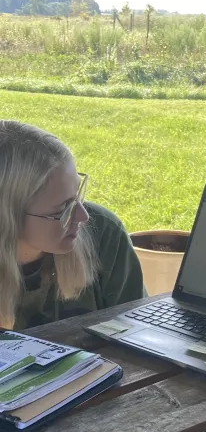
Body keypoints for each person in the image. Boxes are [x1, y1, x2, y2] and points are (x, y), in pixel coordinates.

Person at [0, 120, 145, 330]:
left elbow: (139, 331)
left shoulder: (104, 232)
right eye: (63, 209)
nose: (83, 216)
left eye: (78, 195)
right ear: (8, 217)